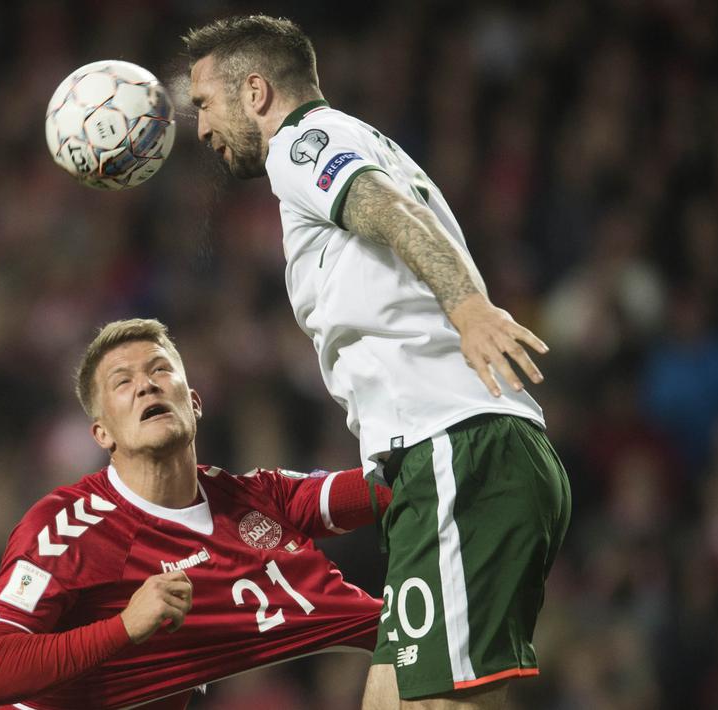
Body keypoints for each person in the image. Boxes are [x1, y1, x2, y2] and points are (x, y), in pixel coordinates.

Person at [183, 16, 572, 709]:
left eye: (206, 102)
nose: (200, 125)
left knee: (435, 703)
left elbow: (385, 209)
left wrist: (468, 308)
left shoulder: (303, 141)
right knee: (390, 699)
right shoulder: (349, 140)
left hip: (457, 444)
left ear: (256, 91)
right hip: (446, 457)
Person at [0, 318, 392, 709]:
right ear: (102, 433)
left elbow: (390, 489)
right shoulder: (66, 529)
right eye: (122, 382)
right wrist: (126, 625)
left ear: (194, 401)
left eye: (160, 369)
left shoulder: (257, 499)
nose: (147, 385)